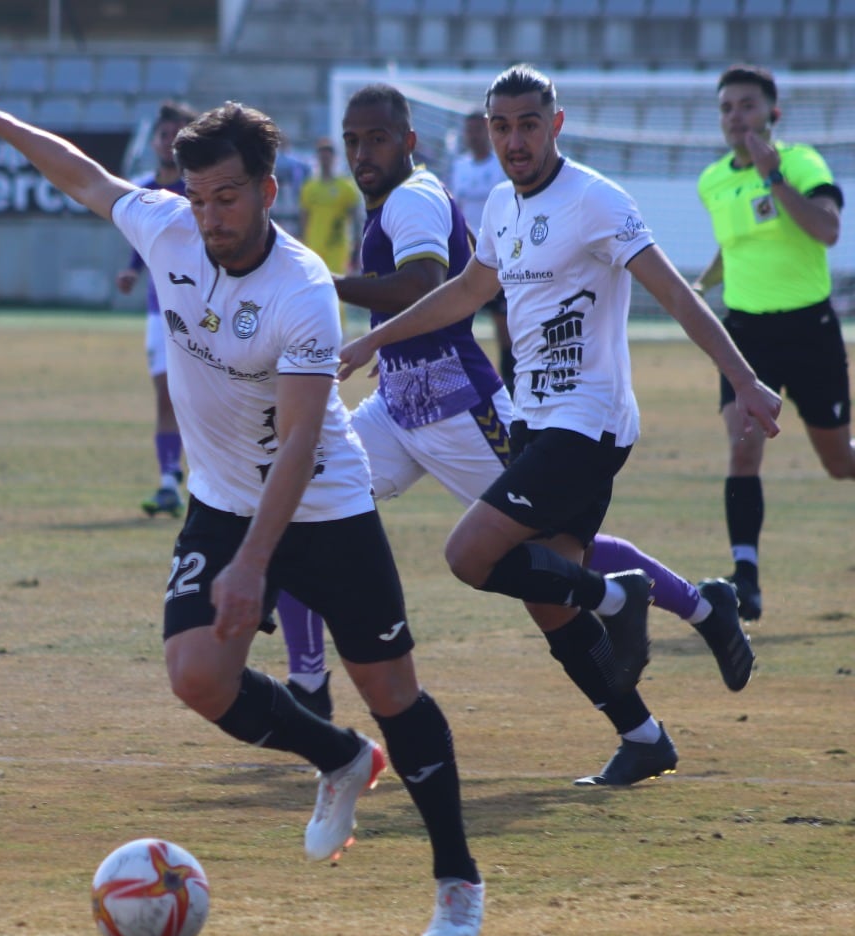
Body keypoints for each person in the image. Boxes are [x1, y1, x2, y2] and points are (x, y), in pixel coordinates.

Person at [0, 80, 486, 936]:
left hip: (324, 506)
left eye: (227, 198)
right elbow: (84, 178)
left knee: (391, 691)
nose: (210, 217)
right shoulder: (169, 228)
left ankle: (456, 880)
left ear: (266, 190)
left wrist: (255, 565)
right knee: (196, 676)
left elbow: (299, 444)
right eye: (197, 198)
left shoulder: (302, 290)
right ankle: (337, 756)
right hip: (222, 502)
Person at [273, 84, 757, 780]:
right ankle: (647, 732)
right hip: (452, 411)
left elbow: (674, 293)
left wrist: (743, 378)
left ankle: (650, 599)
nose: (514, 141)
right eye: (501, 127)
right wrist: (367, 344)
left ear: (555, 124)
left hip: (530, 417)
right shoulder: (500, 204)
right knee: (544, 586)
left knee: (487, 556)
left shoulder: (588, 200)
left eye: (528, 125)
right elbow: (466, 290)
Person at [692, 64, 851, 622]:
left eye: (748, 106)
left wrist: (776, 179)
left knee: (838, 462)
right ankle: (746, 578)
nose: (737, 117)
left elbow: (828, 231)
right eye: (727, 108)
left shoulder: (802, 163)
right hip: (746, 335)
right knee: (743, 447)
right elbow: (732, 246)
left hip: (809, 329)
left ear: (772, 114)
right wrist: (701, 284)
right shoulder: (712, 181)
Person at [116, 100, 197, 519]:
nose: (170, 142)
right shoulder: (142, 191)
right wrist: (131, 271)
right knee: (166, 396)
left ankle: (210, 480)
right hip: (157, 310)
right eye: (165, 134)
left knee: (201, 397)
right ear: (154, 141)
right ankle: (168, 480)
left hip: (201, 312)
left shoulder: (200, 191)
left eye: (178, 135)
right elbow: (141, 241)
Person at [448, 110, 513, 392]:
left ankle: (510, 384)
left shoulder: (500, 167)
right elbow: (455, 211)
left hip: (498, 258)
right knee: (458, 324)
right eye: (469, 130)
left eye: (478, 130)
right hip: (467, 259)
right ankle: (464, 385)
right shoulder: (459, 167)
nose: (473, 135)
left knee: (505, 327)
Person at [298, 137, 361, 277]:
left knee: (336, 284)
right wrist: (303, 242)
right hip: (314, 245)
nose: (325, 156)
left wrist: (357, 244)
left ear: (334, 157)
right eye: (322, 152)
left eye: (328, 152)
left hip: (337, 246)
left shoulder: (345, 187)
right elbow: (304, 216)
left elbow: (355, 217)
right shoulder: (309, 187)